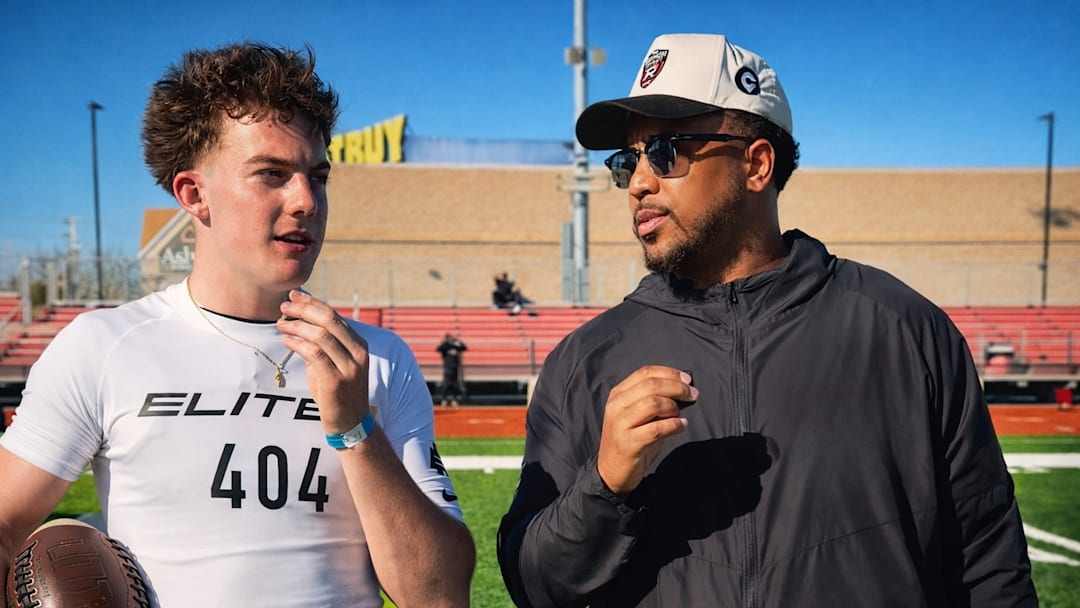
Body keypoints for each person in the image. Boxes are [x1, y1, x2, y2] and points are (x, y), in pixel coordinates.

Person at [497, 33, 1036, 607]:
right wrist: (604, 487)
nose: (638, 183)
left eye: (665, 150)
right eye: (627, 160)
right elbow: (535, 585)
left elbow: (989, 564)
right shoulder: (585, 360)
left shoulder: (906, 330)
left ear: (756, 164)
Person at [0, 42, 474, 607]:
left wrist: (354, 429)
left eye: (317, 176)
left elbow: (440, 594)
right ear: (194, 194)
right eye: (271, 174)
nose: (306, 200)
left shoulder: (378, 358)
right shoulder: (103, 347)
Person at [437, 332, 468, 407]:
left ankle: (454, 399)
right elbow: (439, 349)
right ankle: (444, 399)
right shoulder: (445, 347)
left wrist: (457, 342)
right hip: (447, 368)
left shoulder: (455, 347)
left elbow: (464, 348)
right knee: (447, 384)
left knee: (455, 384)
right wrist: (446, 343)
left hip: (455, 368)